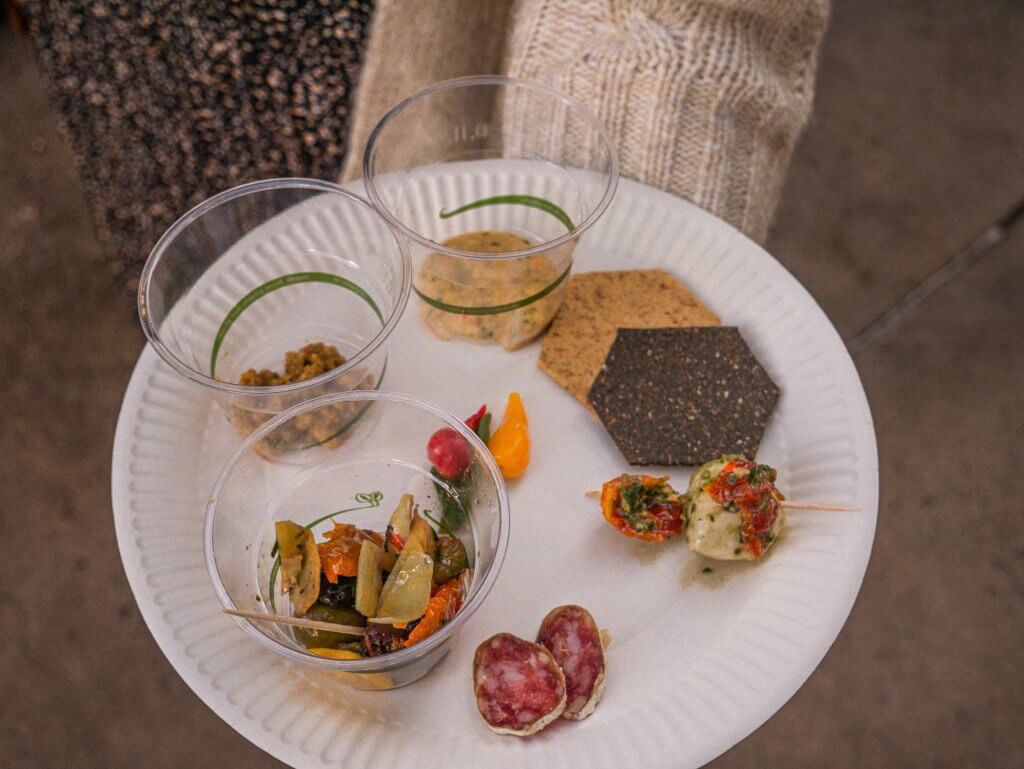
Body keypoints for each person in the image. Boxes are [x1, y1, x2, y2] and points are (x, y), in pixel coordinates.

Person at [25, 0, 828, 289]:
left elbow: (674, 23)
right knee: (207, 308)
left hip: (401, 113)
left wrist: (623, 251)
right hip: (133, 65)